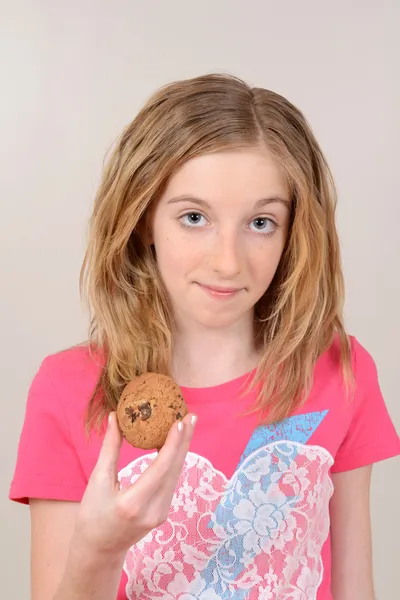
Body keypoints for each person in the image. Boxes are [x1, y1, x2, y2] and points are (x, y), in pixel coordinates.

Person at [9, 73, 400, 600]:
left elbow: (357, 588)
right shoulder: (66, 389)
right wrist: (97, 551)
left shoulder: (339, 368)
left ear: (293, 233)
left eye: (261, 222)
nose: (227, 261)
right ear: (144, 219)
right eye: (194, 217)